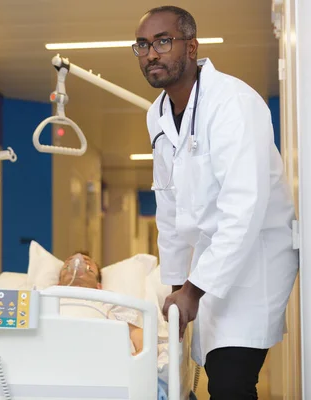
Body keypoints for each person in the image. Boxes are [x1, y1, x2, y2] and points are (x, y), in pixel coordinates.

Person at [133, 6, 298, 399]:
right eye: (142, 45)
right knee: (212, 375)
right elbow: (168, 208)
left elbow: (245, 208)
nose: (151, 53)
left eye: (163, 41)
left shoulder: (234, 103)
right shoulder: (156, 116)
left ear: (192, 47)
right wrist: (176, 289)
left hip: (254, 257)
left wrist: (192, 291)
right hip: (208, 262)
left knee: (230, 378)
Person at [57, 252, 145, 355]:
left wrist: (134, 359)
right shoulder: (44, 298)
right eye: (68, 265)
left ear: (99, 286)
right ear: (57, 284)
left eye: (87, 265)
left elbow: (140, 338)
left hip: (100, 359)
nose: (78, 263)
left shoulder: (109, 301)